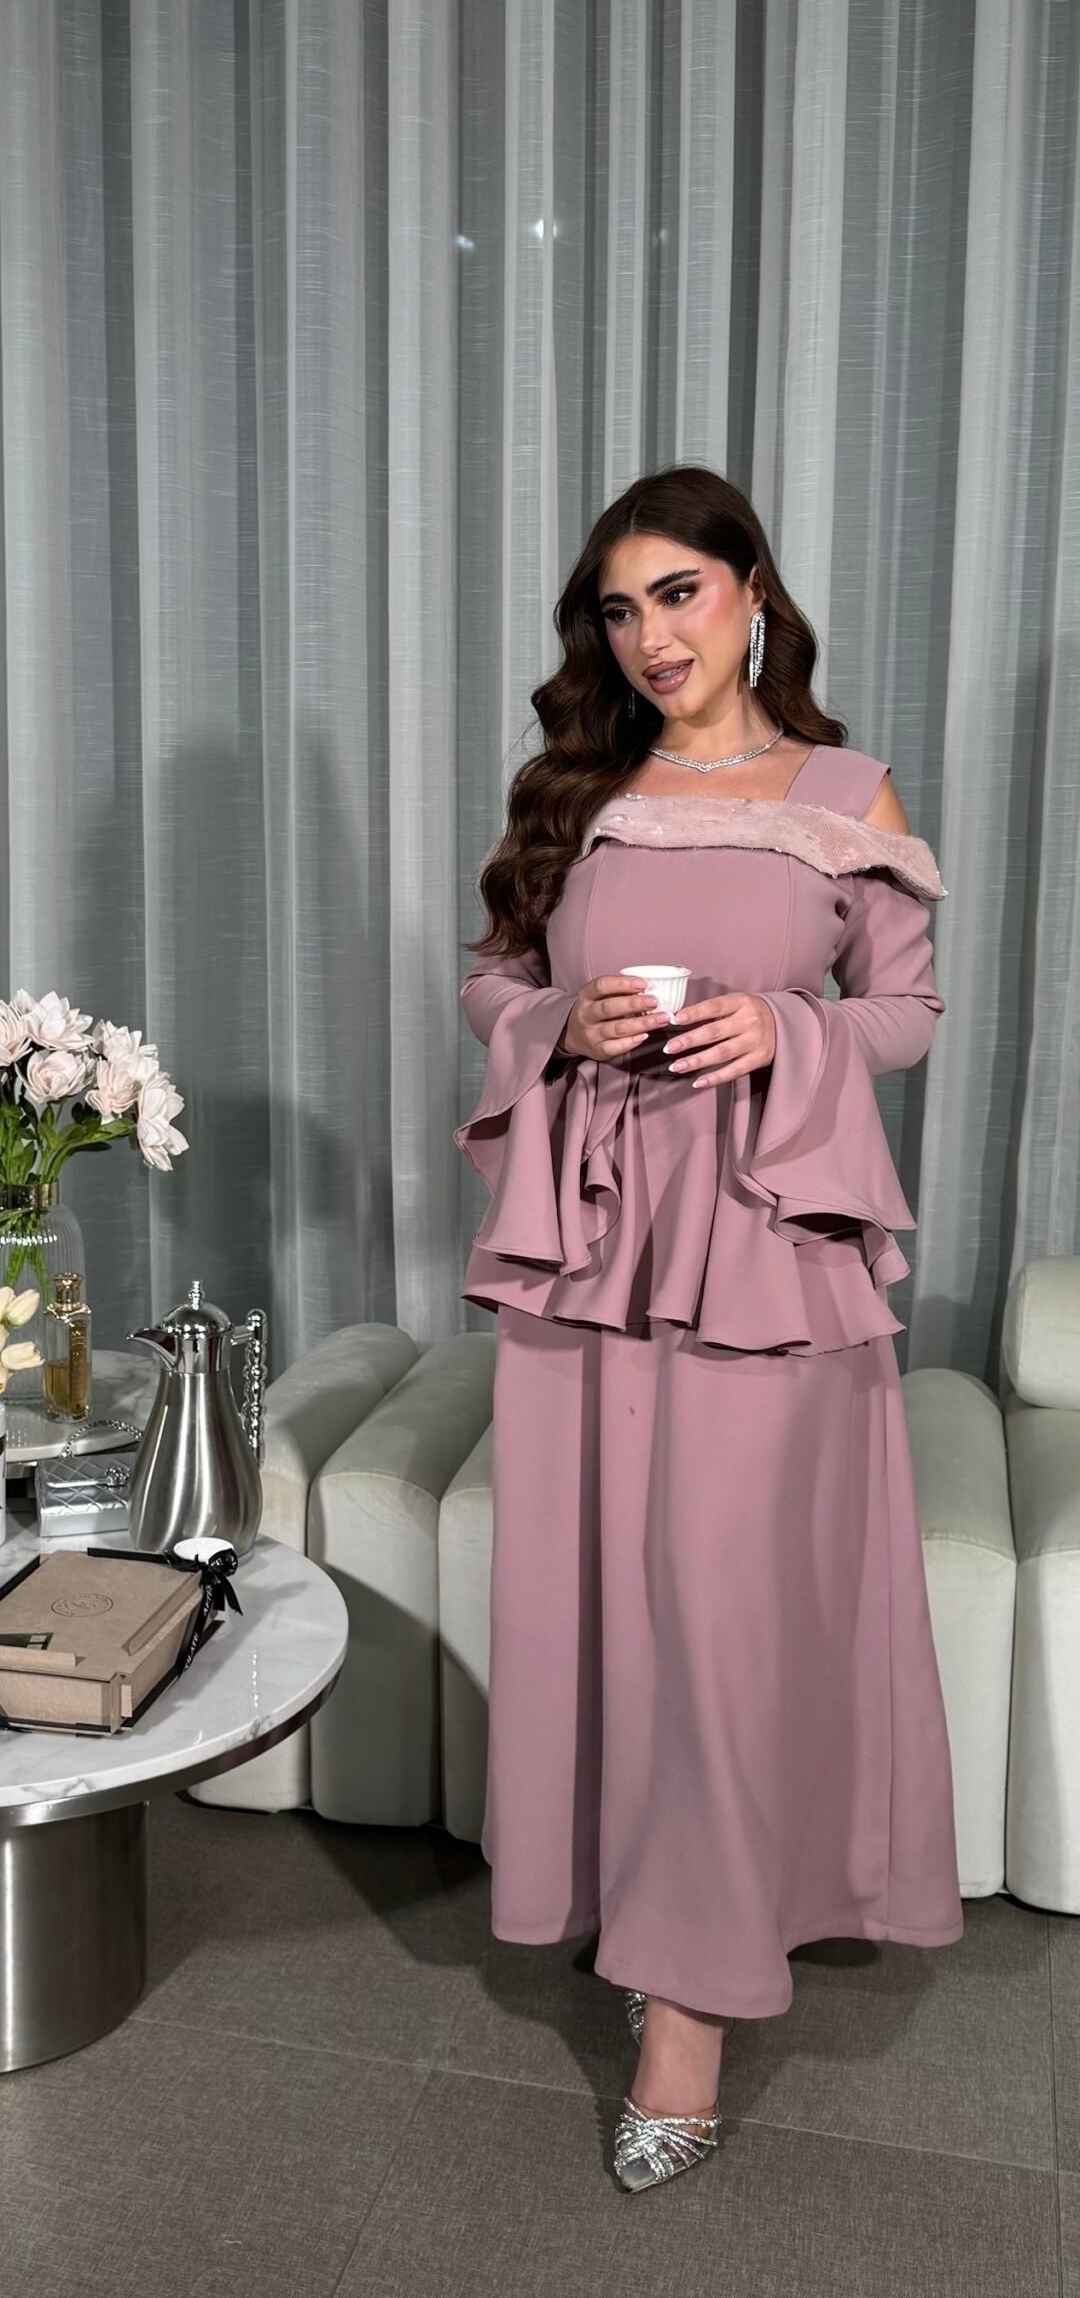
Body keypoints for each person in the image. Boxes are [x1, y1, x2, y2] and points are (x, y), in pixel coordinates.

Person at [454, 465, 963, 2193]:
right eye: (620, 608)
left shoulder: (840, 790)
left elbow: (905, 1007)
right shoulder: (580, 790)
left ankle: (689, 2011)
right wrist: (558, 1025)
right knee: (602, 1597)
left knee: (725, 1613)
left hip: (763, 1246)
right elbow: (491, 981)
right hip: (589, 1251)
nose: (650, 635)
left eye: (679, 593)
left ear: (752, 589)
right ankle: (639, 1909)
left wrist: (783, 1034)